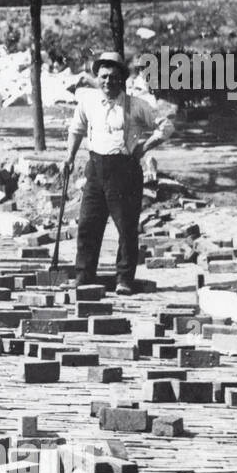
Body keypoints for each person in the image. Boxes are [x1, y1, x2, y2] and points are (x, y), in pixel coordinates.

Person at [61, 51, 174, 295]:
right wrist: (69, 157)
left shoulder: (136, 105)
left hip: (125, 171)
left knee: (126, 227)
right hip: (95, 169)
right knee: (89, 224)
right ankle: (84, 275)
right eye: (103, 77)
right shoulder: (88, 101)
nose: (108, 82)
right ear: (97, 77)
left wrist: (144, 147)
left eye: (113, 77)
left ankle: (124, 279)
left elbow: (166, 126)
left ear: (121, 78)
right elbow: (76, 129)